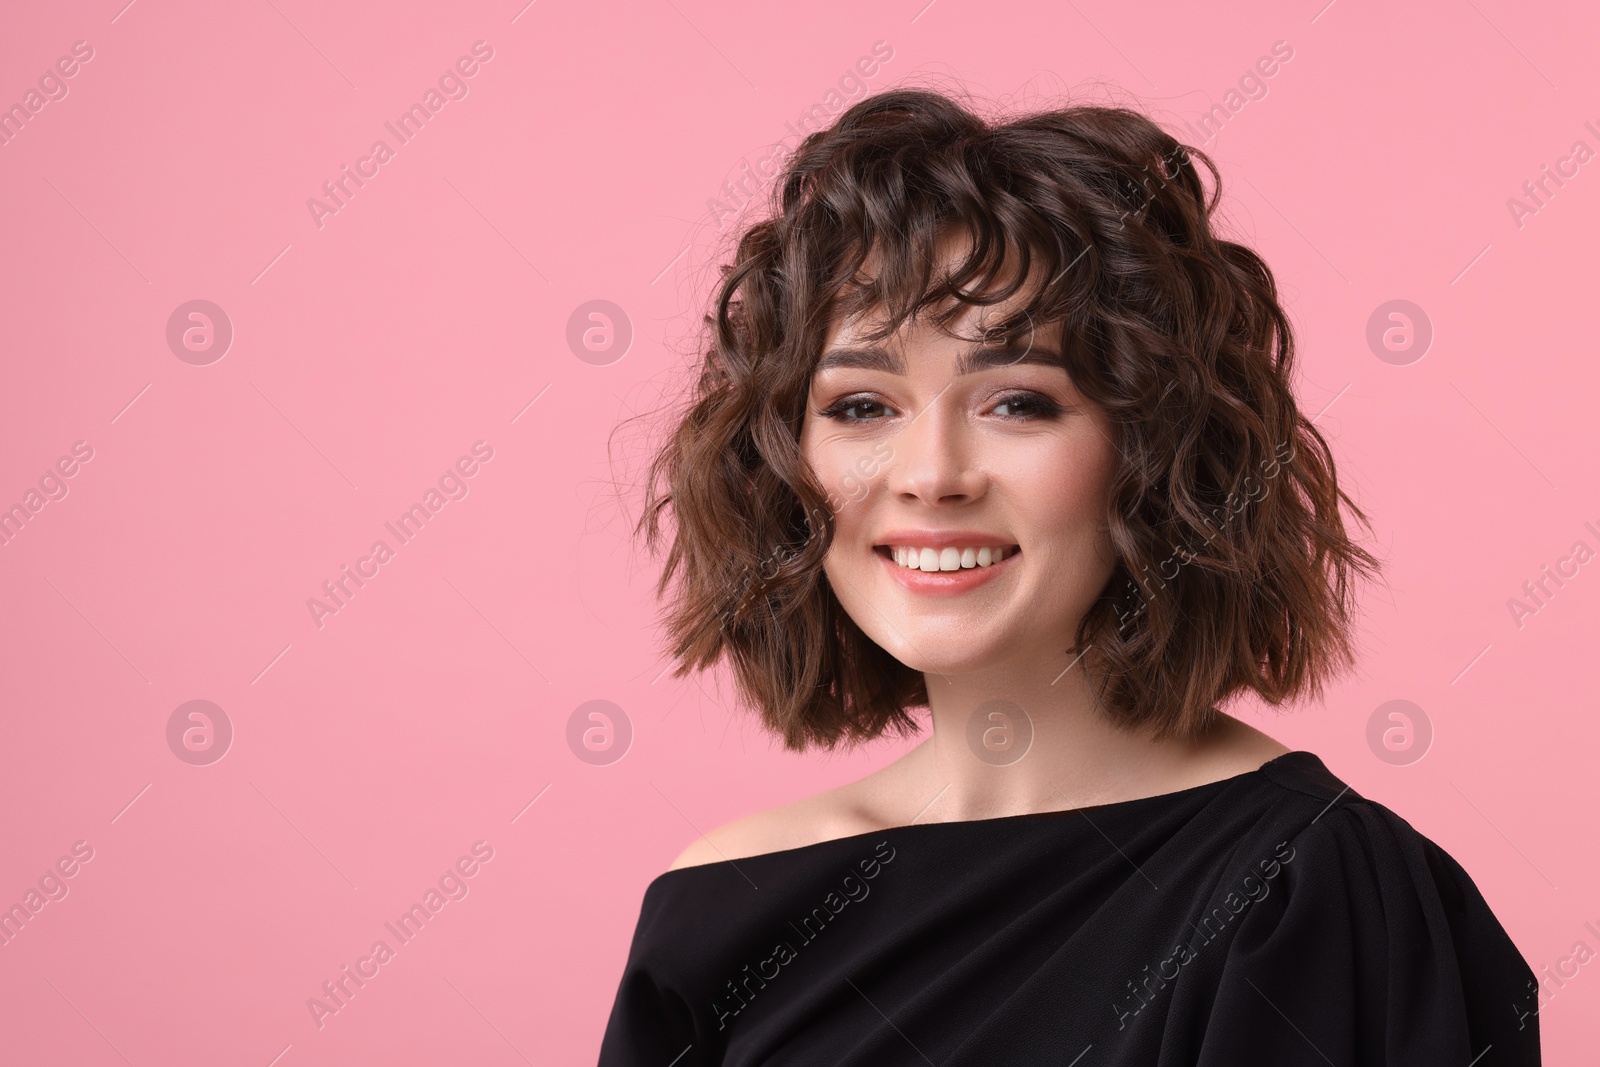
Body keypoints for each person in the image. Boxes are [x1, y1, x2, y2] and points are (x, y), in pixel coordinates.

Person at [598, 86, 1539, 1065]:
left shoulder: (1313, 892)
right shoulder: (723, 902)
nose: (930, 475)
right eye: (862, 405)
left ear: (1155, 448)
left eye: (1016, 401)